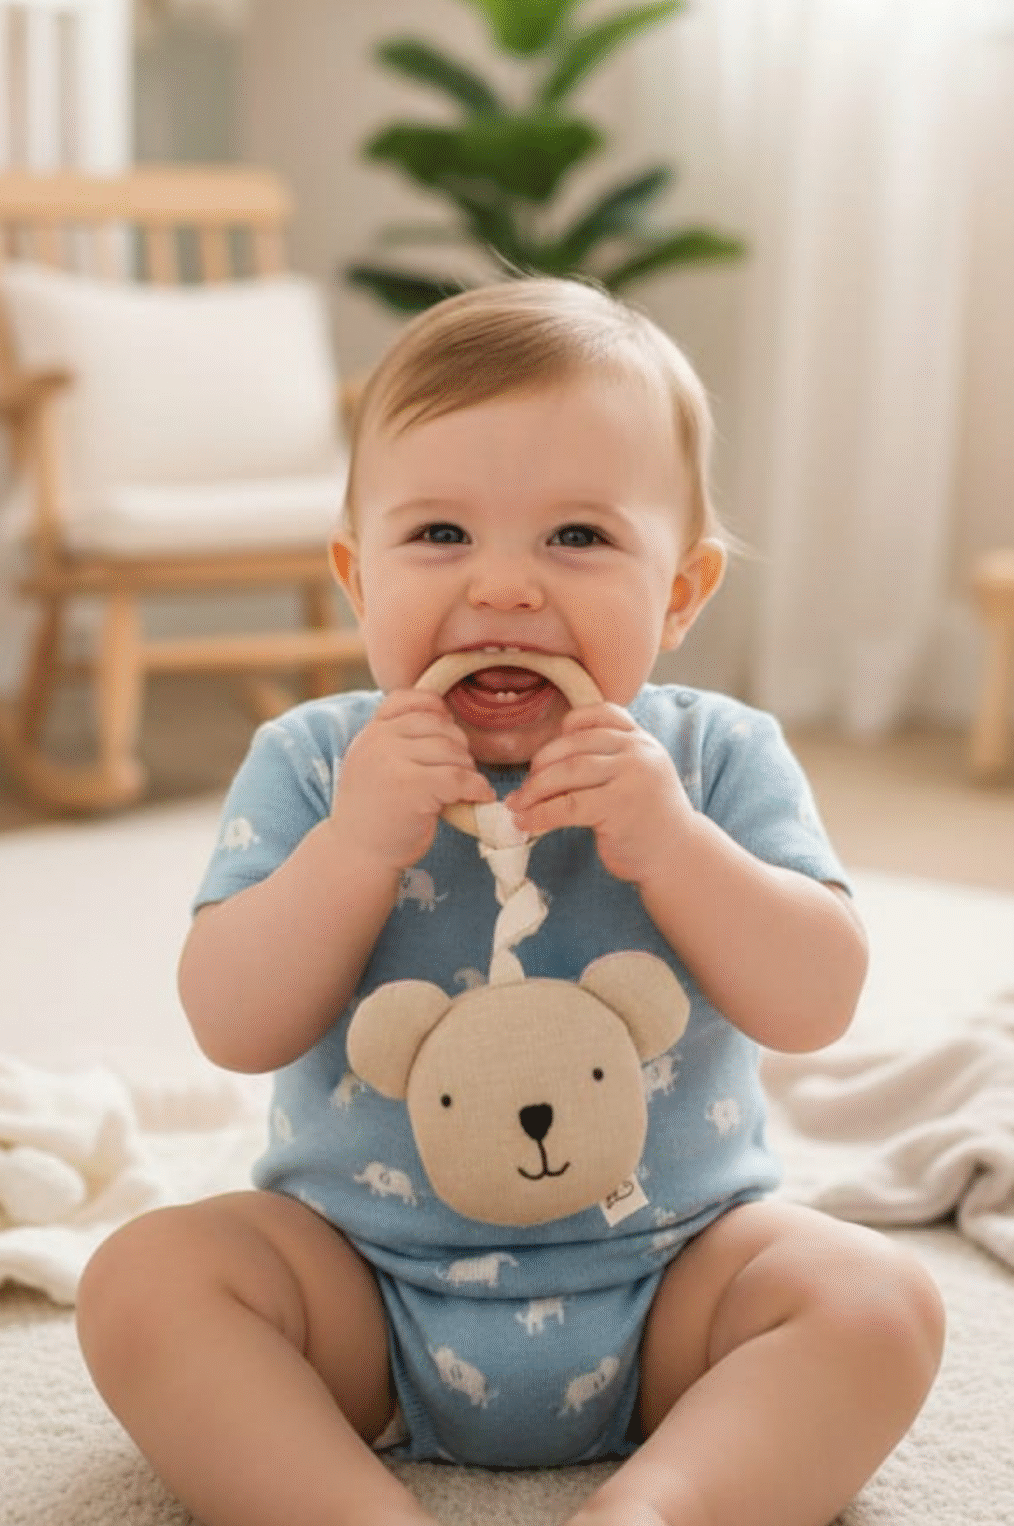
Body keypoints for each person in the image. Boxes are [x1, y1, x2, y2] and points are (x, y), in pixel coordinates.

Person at [76, 277, 945, 1526]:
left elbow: (816, 1000)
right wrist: (354, 847)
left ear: (680, 591)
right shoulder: (314, 762)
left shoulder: (713, 759)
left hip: (674, 1279)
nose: (503, 588)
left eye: (576, 537)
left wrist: (675, 847)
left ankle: (659, 1508)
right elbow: (231, 1021)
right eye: (439, 533)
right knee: (145, 1281)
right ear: (356, 576)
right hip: (359, 1286)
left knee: (878, 1302)